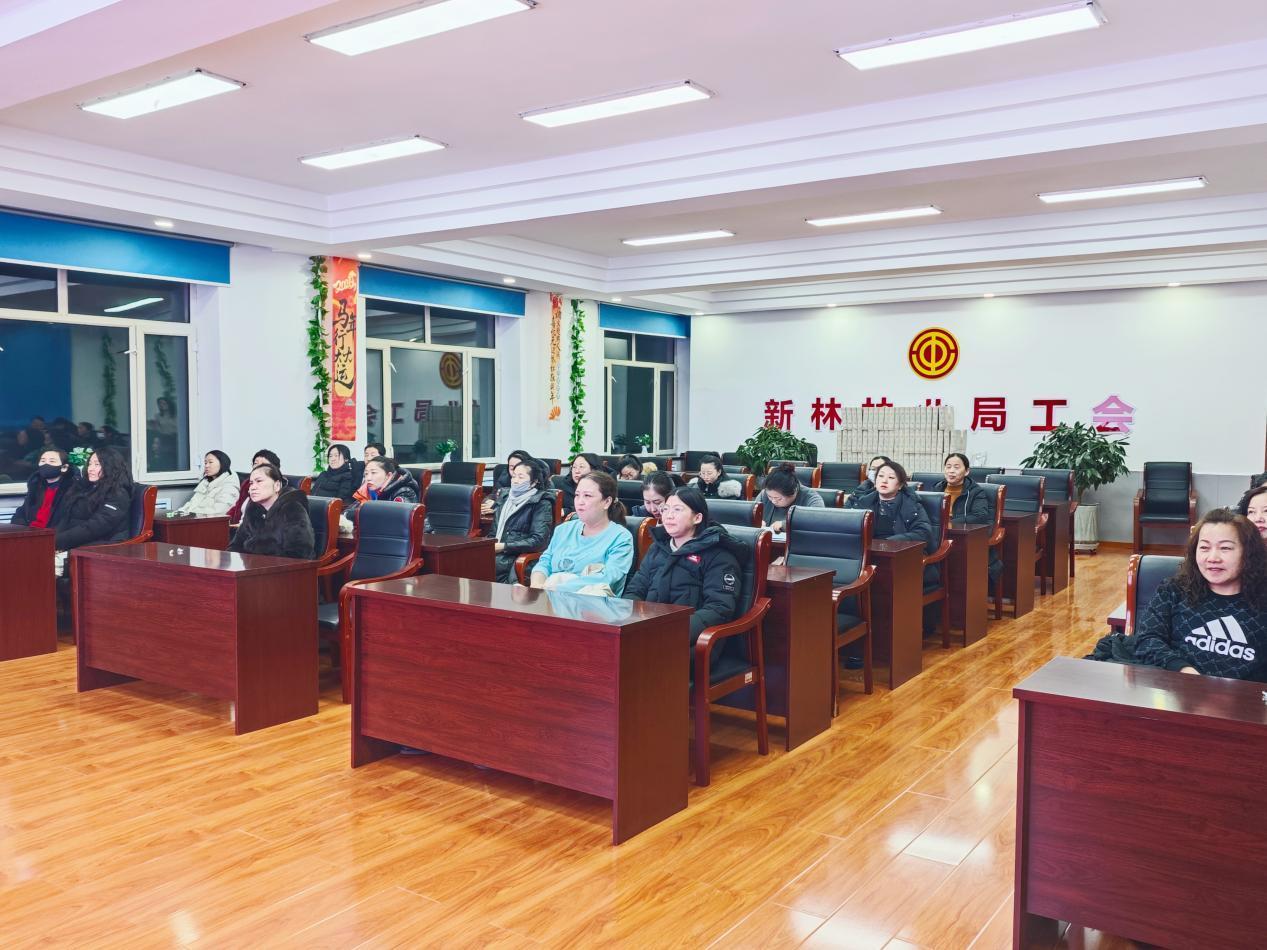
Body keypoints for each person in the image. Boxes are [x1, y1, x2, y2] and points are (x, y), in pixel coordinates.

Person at [1132, 509, 1267, 680]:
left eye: (1225, 548)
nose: (1212, 558)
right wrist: (1184, 670)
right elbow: (1147, 639)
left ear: (1248, 553)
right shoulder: (1174, 589)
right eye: (1204, 547)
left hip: (1245, 695)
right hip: (1177, 688)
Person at [624, 487, 742, 643]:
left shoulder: (719, 555)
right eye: (665, 509)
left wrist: (672, 631)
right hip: (647, 631)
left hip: (690, 640)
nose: (669, 515)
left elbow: (719, 608)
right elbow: (635, 590)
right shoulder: (657, 548)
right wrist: (630, 622)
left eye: (677, 510)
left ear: (697, 518)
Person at [531, 471, 633, 596]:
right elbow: (544, 563)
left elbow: (608, 576)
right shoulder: (563, 529)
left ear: (607, 502)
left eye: (587, 496)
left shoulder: (621, 537)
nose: (580, 501)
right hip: (549, 595)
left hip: (591, 603)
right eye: (577, 495)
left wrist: (558, 588)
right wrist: (537, 585)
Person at [928, 452, 1003, 583]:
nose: (951, 471)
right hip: (938, 534)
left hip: (961, 537)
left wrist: (948, 523)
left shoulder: (975, 491)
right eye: (948, 466)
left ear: (967, 471)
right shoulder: (937, 488)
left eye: (956, 467)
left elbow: (980, 515)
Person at [487, 457, 554, 583]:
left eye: (521, 477)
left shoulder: (542, 502)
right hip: (497, 552)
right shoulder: (505, 497)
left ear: (534, 482)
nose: (515, 481)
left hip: (517, 556)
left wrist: (504, 546)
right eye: (514, 476)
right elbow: (493, 533)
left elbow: (539, 540)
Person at [54, 447, 134, 552]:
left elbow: (95, 527)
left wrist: (58, 542)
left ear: (111, 467)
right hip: (77, 542)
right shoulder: (87, 487)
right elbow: (67, 518)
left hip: (105, 546)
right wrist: (53, 539)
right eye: (90, 464)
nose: (90, 468)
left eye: (97, 464)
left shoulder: (118, 494)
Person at [229, 464, 315, 559]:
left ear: (277, 485)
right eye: (251, 483)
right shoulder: (252, 509)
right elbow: (236, 545)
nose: (253, 487)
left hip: (282, 567)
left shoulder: (292, 508)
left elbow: (299, 553)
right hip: (253, 566)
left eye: (259, 481)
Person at [845, 460, 933, 549]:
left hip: (900, 551)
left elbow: (923, 533)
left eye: (891, 477)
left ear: (900, 485)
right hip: (867, 551)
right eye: (881, 476)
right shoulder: (863, 503)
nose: (884, 481)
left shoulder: (911, 504)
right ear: (875, 481)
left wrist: (889, 542)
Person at [11, 448, 79, 529]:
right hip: (30, 533)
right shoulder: (35, 486)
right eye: (43, 461)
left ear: (64, 467)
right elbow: (21, 513)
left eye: (52, 461)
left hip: (53, 534)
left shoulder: (72, 490)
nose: (46, 464)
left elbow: (70, 521)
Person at [757, 462, 825, 533]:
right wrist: (756, 522)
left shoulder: (812, 498)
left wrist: (785, 525)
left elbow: (817, 521)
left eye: (778, 498)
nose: (773, 501)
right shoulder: (764, 494)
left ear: (793, 492)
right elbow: (751, 514)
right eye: (770, 497)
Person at [176, 450, 239, 516]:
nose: (206, 466)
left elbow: (219, 512)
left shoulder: (229, 487)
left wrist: (190, 514)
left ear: (222, 463)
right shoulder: (206, 483)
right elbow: (192, 503)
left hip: (209, 521)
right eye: (205, 463)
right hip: (194, 519)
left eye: (210, 462)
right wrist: (179, 513)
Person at [228, 449, 282, 524]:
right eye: (255, 463)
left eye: (264, 464)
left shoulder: (284, 499)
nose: (258, 466)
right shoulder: (247, 484)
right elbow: (237, 506)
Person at [349, 457, 420, 513]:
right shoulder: (368, 489)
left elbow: (392, 518)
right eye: (366, 474)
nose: (368, 478)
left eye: (373, 473)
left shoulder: (404, 492)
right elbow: (348, 512)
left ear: (388, 475)